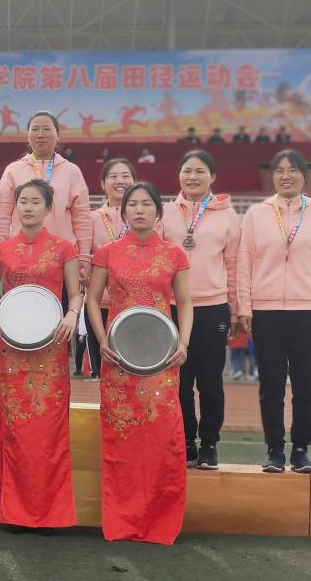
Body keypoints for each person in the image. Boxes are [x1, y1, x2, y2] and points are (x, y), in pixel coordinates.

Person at [86, 182, 192, 545]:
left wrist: (183, 343)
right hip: (119, 358)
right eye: (133, 205)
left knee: (162, 438)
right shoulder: (107, 253)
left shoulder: (174, 254)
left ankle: (159, 520)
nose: (140, 210)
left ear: (159, 213)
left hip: (161, 359)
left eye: (147, 204)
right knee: (122, 440)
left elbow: (185, 303)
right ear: (123, 212)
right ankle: (123, 519)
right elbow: (92, 300)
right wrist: (102, 341)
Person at [0, 179, 80, 531]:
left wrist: (72, 315)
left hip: (51, 349)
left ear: (49, 208)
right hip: (12, 350)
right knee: (16, 429)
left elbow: (75, 294)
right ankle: (16, 513)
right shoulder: (2, 250)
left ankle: (49, 514)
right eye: (23, 201)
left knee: (48, 429)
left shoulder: (65, 248)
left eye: (36, 201)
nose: (28, 207)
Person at [162, 150, 239, 469]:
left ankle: (209, 443)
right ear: (179, 175)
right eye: (187, 171)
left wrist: (235, 309)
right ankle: (185, 442)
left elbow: (233, 265)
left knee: (210, 382)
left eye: (200, 171)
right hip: (172, 307)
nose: (192, 176)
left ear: (213, 177)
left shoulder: (228, 215)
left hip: (212, 307)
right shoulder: (166, 212)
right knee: (178, 381)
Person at [237, 149, 311, 473]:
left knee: (306, 385)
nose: (285, 176)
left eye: (292, 170)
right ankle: (274, 450)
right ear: (272, 176)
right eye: (279, 170)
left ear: (304, 175)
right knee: (271, 385)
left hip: (306, 309)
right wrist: (244, 305)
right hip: (266, 311)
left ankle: (301, 450)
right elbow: (243, 262)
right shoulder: (256, 214)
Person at [0, 111, 92, 297]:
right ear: (27, 136)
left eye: (47, 129)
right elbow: (2, 216)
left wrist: (84, 256)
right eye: (35, 129)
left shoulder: (71, 171)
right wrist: (2, 251)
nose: (40, 134)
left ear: (58, 135)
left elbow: (82, 218)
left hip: (61, 259)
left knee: (61, 310)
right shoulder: (13, 170)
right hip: (20, 259)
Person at [86, 159, 138, 379]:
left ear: (134, 181)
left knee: (135, 369)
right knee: (104, 373)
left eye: (125, 176)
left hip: (136, 305)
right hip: (100, 305)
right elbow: (82, 257)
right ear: (102, 184)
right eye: (113, 177)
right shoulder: (91, 219)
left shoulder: (144, 217)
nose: (120, 181)